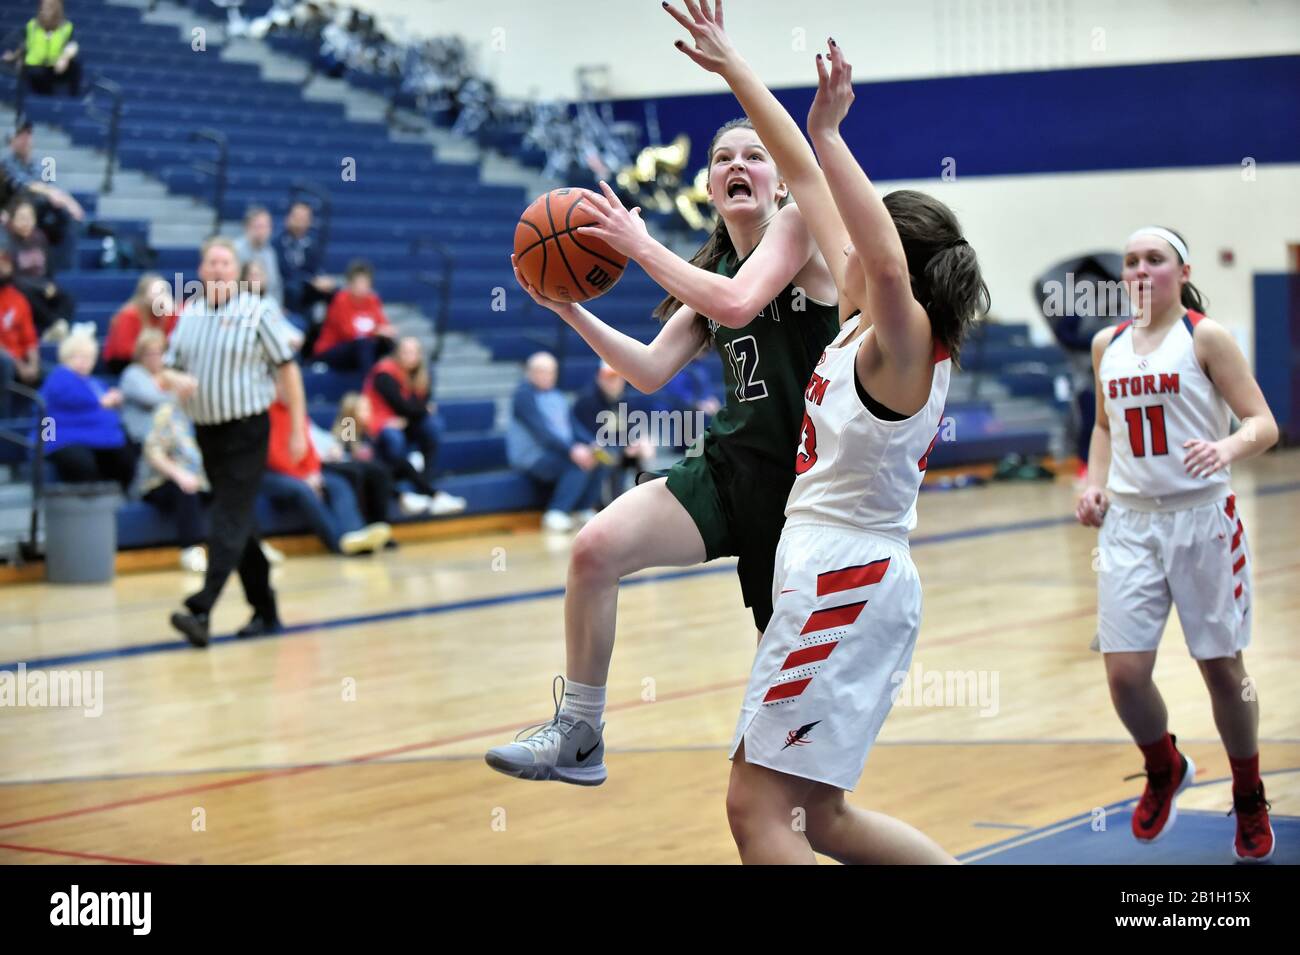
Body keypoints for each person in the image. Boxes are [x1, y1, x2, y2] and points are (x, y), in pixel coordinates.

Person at [659, 5, 995, 863]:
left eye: (869, 242)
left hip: (844, 576)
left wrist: (831, 136)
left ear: (901, 273)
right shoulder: (859, 322)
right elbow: (807, 182)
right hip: (838, 572)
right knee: (820, 817)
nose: (838, 246)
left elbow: (875, 252)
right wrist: (736, 68)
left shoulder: (906, 339)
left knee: (757, 809)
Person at [485, 101, 840, 783]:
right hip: (731, 468)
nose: (738, 165)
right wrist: (567, 306)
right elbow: (647, 370)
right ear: (709, 187)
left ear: (781, 182)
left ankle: (808, 805)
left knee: (787, 698)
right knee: (594, 550)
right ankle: (580, 731)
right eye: (723, 159)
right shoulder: (712, 266)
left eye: (755, 155)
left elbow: (737, 303)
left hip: (807, 494)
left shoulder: (797, 229)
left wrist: (638, 244)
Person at [1076, 226, 1279, 863]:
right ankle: (1164, 765)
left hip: (1201, 520)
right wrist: (1094, 484)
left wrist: (1224, 448)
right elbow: (1104, 428)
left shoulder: (1205, 336)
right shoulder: (1105, 343)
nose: (1139, 269)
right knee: (1125, 676)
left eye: (1153, 259)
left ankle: (1248, 794)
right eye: (1130, 261)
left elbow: (1263, 424)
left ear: (1181, 270)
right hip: (1130, 526)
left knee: (1221, 668)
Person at [162, 237, 307, 647]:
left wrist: (297, 428)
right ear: (201, 269)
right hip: (206, 432)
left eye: (226, 262)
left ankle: (201, 608)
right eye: (211, 262)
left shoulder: (258, 311)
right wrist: (177, 380)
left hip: (247, 430)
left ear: (238, 270)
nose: (218, 269)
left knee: (227, 516)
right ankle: (266, 610)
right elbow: (167, 370)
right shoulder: (189, 313)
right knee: (240, 522)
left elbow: (288, 371)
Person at [262, 390, 392, 557]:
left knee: (375, 472)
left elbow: (308, 448)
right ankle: (344, 540)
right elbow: (349, 449)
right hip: (335, 460)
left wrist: (313, 471)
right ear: (351, 411)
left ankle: (361, 532)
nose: (367, 413)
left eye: (368, 409)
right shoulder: (348, 422)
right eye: (362, 409)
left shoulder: (368, 426)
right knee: (357, 473)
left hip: (321, 464)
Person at [361, 336, 465, 516]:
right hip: (382, 426)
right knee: (393, 437)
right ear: (397, 354)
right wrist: (422, 410)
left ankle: (423, 482)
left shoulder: (423, 375)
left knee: (433, 425)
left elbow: (414, 408)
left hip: (404, 423)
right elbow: (403, 406)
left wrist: (417, 411)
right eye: (405, 352)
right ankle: (417, 490)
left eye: (414, 352)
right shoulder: (383, 373)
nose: (410, 357)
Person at [506, 352, 604, 531]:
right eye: (542, 371)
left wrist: (591, 443)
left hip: (558, 452)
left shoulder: (558, 396)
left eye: (551, 372)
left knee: (598, 459)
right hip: (533, 456)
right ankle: (556, 513)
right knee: (577, 463)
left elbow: (573, 426)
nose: (547, 376)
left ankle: (582, 510)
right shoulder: (523, 396)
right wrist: (572, 450)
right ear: (530, 372)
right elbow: (542, 432)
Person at [38, 332, 135, 491]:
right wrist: (101, 401)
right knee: (82, 463)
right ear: (66, 357)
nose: (84, 362)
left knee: (124, 453)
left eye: (88, 357)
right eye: (78, 356)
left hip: (94, 435)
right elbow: (70, 397)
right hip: (62, 437)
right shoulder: (60, 376)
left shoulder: (95, 382)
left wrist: (111, 400)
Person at [0, 118, 84, 273]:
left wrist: (70, 203)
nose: (25, 139)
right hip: (16, 209)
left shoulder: (44, 163)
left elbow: (54, 187)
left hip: (41, 210)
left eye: (28, 135)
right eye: (21, 135)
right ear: (12, 141)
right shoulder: (6, 163)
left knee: (67, 215)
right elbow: (26, 185)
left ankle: (66, 269)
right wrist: (51, 193)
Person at [136, 400, 209, 575]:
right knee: (186, 488)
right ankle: (190, 550)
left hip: (202, 480)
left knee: (235, 489)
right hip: (163, 481)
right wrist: (179, 474)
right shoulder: (168, 412)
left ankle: (251, 546)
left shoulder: (208, 413)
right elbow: (153, 451)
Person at [570, 362, 653, 508]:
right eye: (609, 378)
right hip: (594, 450)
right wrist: (623, 446)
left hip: (616, 449)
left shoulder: (624, 400)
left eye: (618, 378)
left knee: (641, 452)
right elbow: (590, 437)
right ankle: (604, 506)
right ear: (599, 378)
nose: (614, 383)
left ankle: (646, 503)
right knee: (612, 457)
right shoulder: (586, 401)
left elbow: (631, 429)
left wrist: (638, 441)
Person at [4, 197, 76, 337]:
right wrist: (41, 287)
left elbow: (48, 269)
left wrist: (50, 285)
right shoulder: (7, 242)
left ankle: (58, 329)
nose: (26, 222)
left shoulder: (40, 238)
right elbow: (12, 277)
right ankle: (56, 325)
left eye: (29, 218)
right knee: (27, 295)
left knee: (66, 298)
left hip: (42, 285)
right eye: (22, 218)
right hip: (22, 288)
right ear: (12, 220)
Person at [311, 259, 396, 371]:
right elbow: (347, 332)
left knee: (387, 344)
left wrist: (385, 331)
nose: (362, 287)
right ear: (350, 283)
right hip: (332, 349)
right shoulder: (340, 300)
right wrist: (376, 331)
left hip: (360, 349)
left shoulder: (373, 300)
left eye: (365, 283)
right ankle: (368, 383)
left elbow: (384, 325)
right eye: (359, 283)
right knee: (364, 344)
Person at [275, 200, 336, 351]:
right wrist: (309, 280)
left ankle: (323, 340)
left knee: (333, 292)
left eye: (305, 218)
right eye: (298, 217)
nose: (301, 222)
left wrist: (323, 281)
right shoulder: (277, 244)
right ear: (288, 218)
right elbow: (281, 273)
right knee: (295, 288)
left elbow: (316, 270)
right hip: (285, 292)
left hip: (307, 292)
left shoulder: (311, 245)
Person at [3, 0, 82, 97]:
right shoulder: (31, 26)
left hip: (55, 66)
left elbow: (72, 45)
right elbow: (23, 44)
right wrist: (15, 57)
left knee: (75, 67)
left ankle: (73, 101)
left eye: (50, 7)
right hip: (34, 66)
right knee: (36, 73)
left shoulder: (66, 27)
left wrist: (64, 57)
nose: (46, 11)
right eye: (43, 8)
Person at [103, 273, 177, 374]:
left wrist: (174, 313)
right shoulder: (129, 314)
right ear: (144, 294)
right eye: (156, 292)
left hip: (151, 358)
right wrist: (151, 352)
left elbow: (171, 341)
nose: (161, 297)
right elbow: (123, 350)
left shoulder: (168, 313)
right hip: (124, 362)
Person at [0, 247, 39, 417]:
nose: (3, 267)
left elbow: (29, 338)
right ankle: (5, 426)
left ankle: (47, 435)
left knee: (56, 375)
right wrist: (20, 365)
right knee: (5, 363)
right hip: (7, 361)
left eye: (6, 262)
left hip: (19, 359)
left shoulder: (18, 298)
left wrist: (33, 364)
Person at [233, 205, 283, 307]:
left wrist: (278, 308)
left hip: (268, 306)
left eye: (267, 226)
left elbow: (275, 284)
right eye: (259, 226)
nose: (263, 231)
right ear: (247, 227)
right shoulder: (235, 250)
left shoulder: (270, 252)